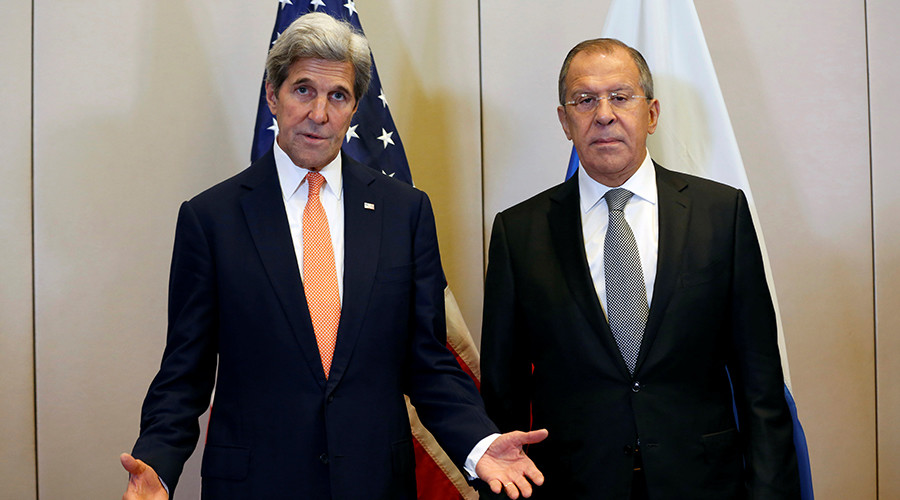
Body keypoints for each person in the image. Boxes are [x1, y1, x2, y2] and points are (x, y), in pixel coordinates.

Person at [120, 12, 546, 500]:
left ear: (355, 107)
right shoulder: (211, 218)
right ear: (272, 96)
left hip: (375, 483)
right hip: (255, 485)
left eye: (337, 96)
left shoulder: (404, 213)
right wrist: (157, 462)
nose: (319, 113)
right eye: (303, 89)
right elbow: (184, 371)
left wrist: (479, 443)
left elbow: (429, 361)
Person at [480, 38, 800, 499]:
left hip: (704, 483)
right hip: (574, 486)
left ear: (650, 113)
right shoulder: (519, 232)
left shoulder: (720, 213)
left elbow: (761, 384)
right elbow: (503, 397)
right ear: (564, 121)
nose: (604, 114)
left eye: (621, 96)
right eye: (585, 100)